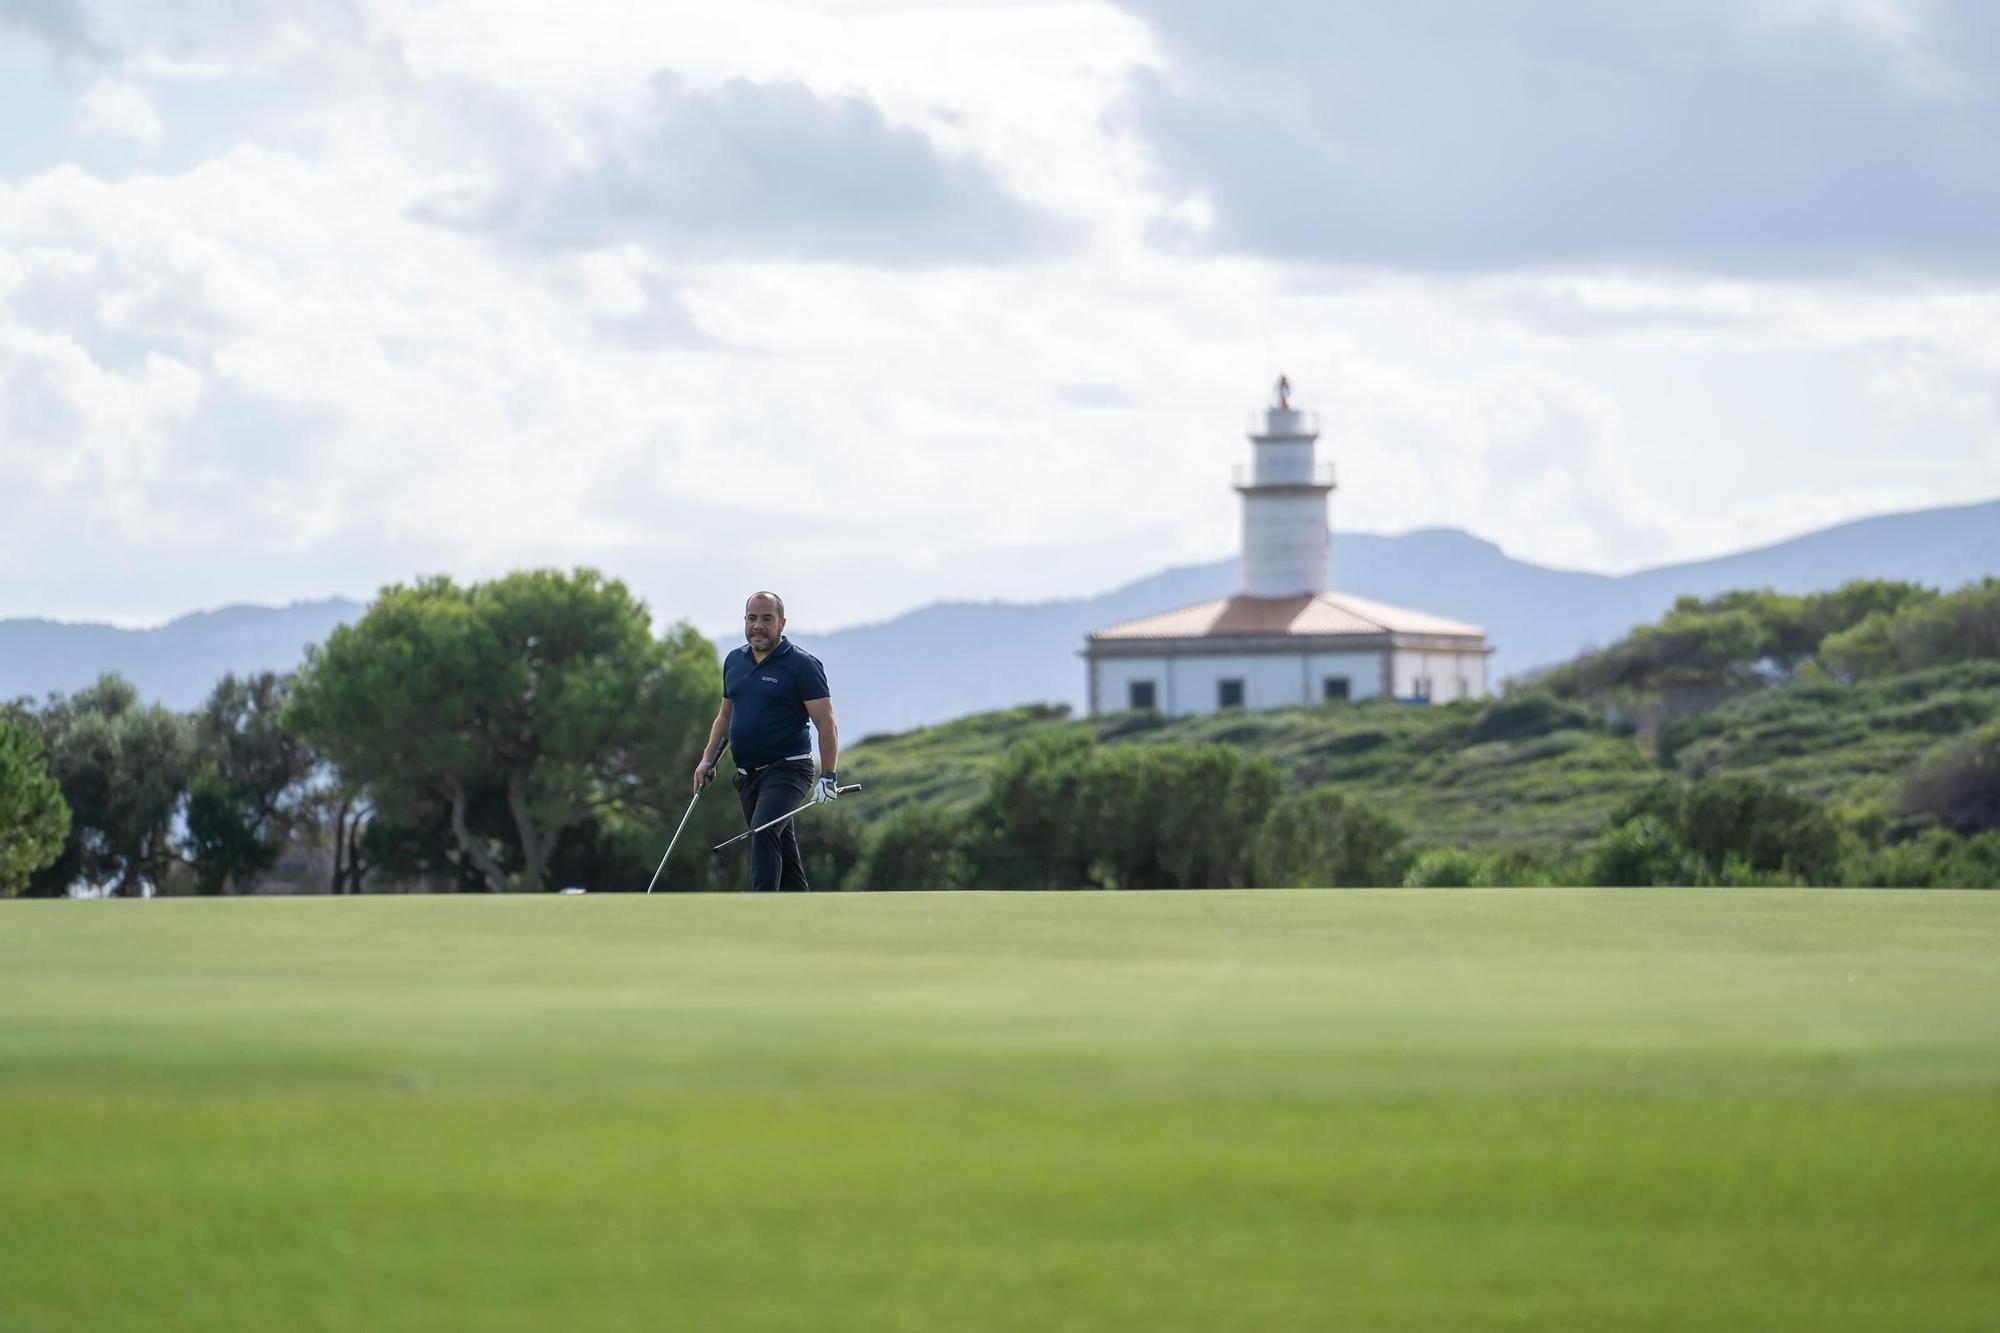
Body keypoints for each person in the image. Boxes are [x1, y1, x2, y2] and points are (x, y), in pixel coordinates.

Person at [692, 591, 839, 892]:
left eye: (767, 619)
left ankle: (761, 912)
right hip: (747, 776)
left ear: (782, 623)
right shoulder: (734, 661)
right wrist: (707, 760)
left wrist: (829, 775)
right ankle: (801, 915)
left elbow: (826, 723)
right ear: (745, 621)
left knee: (763, 832)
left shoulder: (802, 665)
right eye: (752, 618)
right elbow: (725, 717)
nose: (758, 626)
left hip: (789, 770)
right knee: (782, 847)